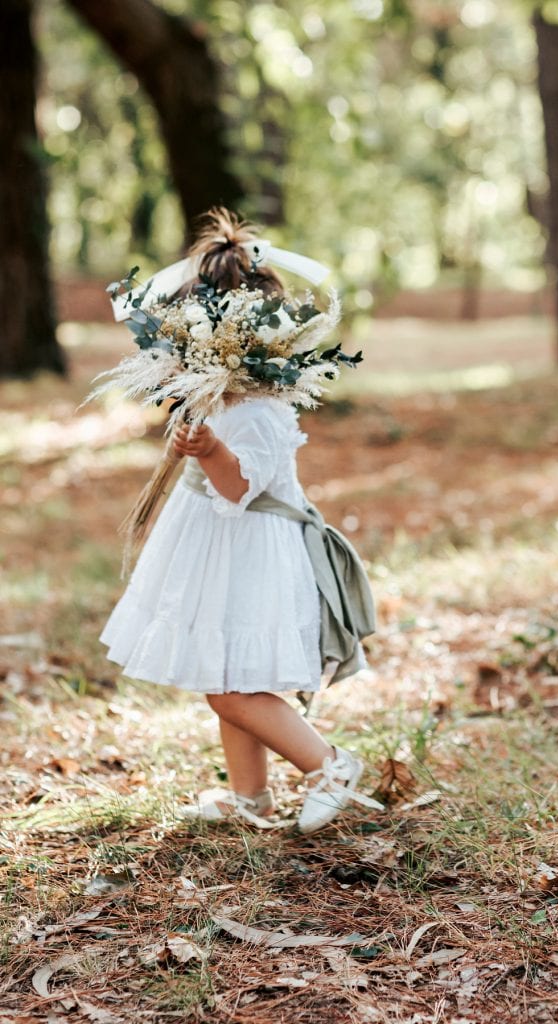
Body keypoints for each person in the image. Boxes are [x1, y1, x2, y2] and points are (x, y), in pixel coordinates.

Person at [99, 208, 381, 833]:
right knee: (223, 673)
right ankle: (251, 798)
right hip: (218, 550)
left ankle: (329, 764)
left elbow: (238, 487)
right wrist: (188, 446)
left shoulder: (259, 411)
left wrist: (210, 452)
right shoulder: (223, 399)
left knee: (230, 685)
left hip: (250, 550)